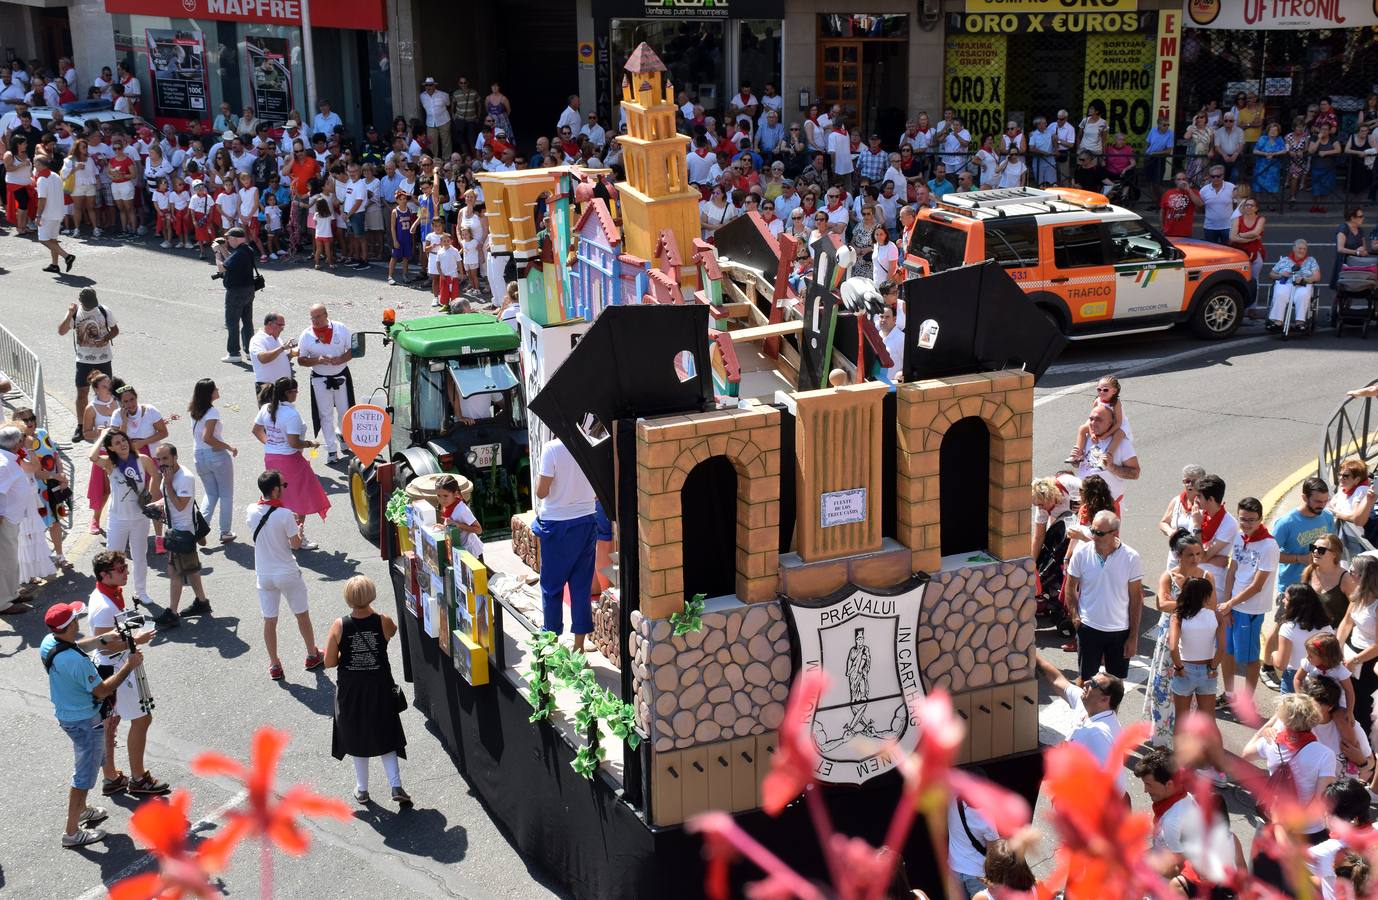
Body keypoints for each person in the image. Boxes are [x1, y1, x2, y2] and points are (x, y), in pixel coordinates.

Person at [41, 600, 152, 848]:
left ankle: (82, 811)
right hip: (84, 722)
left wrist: (102, 639)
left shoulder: (50, 643)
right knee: (83, 776)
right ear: (70, 626)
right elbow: (102, 690)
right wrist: (129, 665)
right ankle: (71, 832)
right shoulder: (77, 662)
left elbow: (78, 645)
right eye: (75, 619)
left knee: (89, 764)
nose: (79, 621)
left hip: (70, 716)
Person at [87, 550, 170, 799]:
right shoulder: (103, 606)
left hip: (117, 665)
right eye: (120, 569)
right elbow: (103, 644)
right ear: (105, 574)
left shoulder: (108, 593)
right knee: (142, 719)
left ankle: (111, 778)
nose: (126, 572)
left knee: (111, 723)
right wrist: (136, 639)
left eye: (125, 567)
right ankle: (138, 778)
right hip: (117, 667)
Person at [325, 575, 410, 807]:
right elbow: (391, 633)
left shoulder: (340, 625)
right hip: (379, 687)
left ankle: (362, 790)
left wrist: (346, 654)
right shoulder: (383, 620)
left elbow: (329, 662)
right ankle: (395, 785)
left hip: (351, 690)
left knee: (357, 736)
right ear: (371, 594)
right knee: (386, 734)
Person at [246, 469, 324, 680]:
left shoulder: (251, 510)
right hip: (287, 572)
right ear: (275, 489)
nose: (285, 488)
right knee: (302, 615)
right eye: (283, 485)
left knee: (269, 621)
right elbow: (296, 545)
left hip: (264, 575)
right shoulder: (285, 514)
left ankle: (274, 665)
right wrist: (298, 528)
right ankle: (311, 654)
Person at [1146, 531, 1213, 747]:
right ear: (1179, 556)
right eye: (1190, 555)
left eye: (1198, 554)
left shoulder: (1206, 577)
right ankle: (1163, 738)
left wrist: (1181, 604)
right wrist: (1193, 603)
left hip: (1197, 640)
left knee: (1190, 689)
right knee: (1165, 687)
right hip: (1170, 638)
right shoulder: (1168, 576)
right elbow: (1161, 604)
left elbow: (1211, 606)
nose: (1195, 559)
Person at [533, 438, 598, 651]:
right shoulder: (592, 443)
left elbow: (541, 492)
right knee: (581, 588)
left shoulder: (551, 448)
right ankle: (579, 647)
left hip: (557, 525)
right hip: (587, 520)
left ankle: (551, 643)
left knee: (552, 587)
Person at [1034, 650, 1126, 793]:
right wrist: (1033, 653)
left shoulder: (1099, 734)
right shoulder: (1088, 704)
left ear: (1105, 699)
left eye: (1094, 684)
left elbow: (1111, 786)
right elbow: (1058, 680)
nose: (1087, 682)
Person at [1065, 510, 1142, 682]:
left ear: (1114, 533)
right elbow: (1070, 588)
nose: (1094, 536)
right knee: (1086, 681)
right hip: (1088, 629)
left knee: (1116, 684)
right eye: (1092, 530)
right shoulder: (1081, 553)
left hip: (1120, 632)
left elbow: (1136, 600)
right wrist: (1076, 618)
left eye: (1099, 533)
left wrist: (1133, 637)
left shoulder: (1131, 558)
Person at [1220, 496, 1279, 698]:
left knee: (1250, 658)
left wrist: (1230, 603)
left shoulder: (1269, 546)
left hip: (1250, 609)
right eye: (1243, 519)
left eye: (1251, 519)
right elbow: (1232, 570)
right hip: (1233, 604)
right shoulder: (1238, 537)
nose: (1246, 524)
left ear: (1261, 519)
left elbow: (1257, 585)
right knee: (1227, 651)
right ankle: (1229, 694)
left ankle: (1247, 700)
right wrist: (1227, 603)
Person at [150, 444, 210, 627]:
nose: (161, 463)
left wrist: (168, 485)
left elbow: (181, 505)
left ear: (175, 457)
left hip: (183, 533)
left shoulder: (184, 478)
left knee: (174, 571)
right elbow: (169, 499)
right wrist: (156, 505)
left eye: (165, 459)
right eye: (158, 459)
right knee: (190, 568)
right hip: (177, 530)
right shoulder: (168, 475)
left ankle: (172, 613)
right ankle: (201, 602)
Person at [296, 304, 354, 464]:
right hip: (320, 379)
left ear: (326, 315)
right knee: (325, 414)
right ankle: (331, 449)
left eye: (318, 317)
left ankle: (342, 434)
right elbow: (301, 360)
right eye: (312, 317)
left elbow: (352, 349)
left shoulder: (341, 329)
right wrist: (317, 360)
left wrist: (341, 359)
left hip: (341, 375)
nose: (315, 320)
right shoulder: (306, 335)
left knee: (345, 412)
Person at [59, 288, 118, 443]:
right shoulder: (76, 312)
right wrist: (69, 314)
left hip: (103, 359)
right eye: (88, 304)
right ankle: (81, 426)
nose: (91, 307)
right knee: (82, 393)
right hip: (83, 360)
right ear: (81, 301)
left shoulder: (103, 311)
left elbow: (115, 330)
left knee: (106, 393)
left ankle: (113, 424)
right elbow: (61, 331)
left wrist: (106, 338)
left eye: (93, 303)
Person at [188, 379, 237, 544]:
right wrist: (228, 446)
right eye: (215, 388)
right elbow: (208, 438)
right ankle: (225, 531)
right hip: (216, 456)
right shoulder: (212, 412)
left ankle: (201, 528)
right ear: (209, 393)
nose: (218, 389)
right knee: (226, 494)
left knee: (210, 494)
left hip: (199, 456)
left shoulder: (195, 412)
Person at [1337, 556, 1378, 745]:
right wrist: (1338, 647)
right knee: (1344, 699)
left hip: (1367, 661)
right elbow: (1346, 622)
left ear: (1364, 576)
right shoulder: (1358, 595)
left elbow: (1377, 645)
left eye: (1353, 572)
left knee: (1361, 706)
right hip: (1350, 652)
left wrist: (1355, 661)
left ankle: (1363, 750)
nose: (1349, 574)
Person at [1072, 405, 1140, 513]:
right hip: (1085, 502)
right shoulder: (1087, 438)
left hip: (1108, 507)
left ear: (1110, 423)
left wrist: (1111, 467)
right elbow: (1083, 466)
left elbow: (1135, 473)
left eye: (1098, 420)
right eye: (1091, 419)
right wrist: (1076, 460)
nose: (1093, 423)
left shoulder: (1122, 444)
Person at [0, 426, 33, 615]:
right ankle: (3, 602)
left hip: (12, 518)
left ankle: (11, 593)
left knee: (11, 559)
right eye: (22, 439)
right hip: (5, 521)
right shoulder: (4, 464)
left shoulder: (8, 459)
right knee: (5, 561)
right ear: (16, 443)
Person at [82, 371, 119, 535]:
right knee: (103, 489)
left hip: (120, 451)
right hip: (103, 453)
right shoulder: (91, 409)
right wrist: (98, 432)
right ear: (96, 389)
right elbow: (86, 433)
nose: (109, 388)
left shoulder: (117, 402)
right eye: (105, 386)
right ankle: (95, 519)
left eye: (109, 384)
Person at [946, 792, 999, 899]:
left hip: (953, 868)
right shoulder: (987, 818)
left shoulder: (952, 799)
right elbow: (993, 853)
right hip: (978, 874)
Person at [1190, 473, 1236, 592]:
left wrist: (1197, 526)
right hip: (1191, 577)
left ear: (1211, 499)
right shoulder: (1199, 516)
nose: (1196, 500)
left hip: (1214, 585)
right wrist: (1212, 560)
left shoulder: (1229, 524)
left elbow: (1199, 555)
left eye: (1199, 496)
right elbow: (1186, 553)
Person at [219, 226, 257, 364]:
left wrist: (217, 255)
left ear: (235, 239)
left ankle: (234, 352)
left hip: (236, 292)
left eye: (228, 238)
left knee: (232, 322)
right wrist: (222, 249)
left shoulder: (239, 253)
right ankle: (249, 351)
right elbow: (231, 260)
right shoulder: (247, 250)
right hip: (248, 290)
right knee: (247, 321)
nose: (227, 241)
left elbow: (222, 267)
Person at [1266, 238, 1321, 331]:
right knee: (1280, 294)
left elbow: (1317, 277)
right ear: (1294, 249)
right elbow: (1271, 274)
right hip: (1286, 283)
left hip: (1303, 284)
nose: (1302, 251)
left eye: (1304, 249)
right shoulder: (1284, 260)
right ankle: (1277, 322)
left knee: (1302, 295)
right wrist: (1280, 275)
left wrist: (1305, 279)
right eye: (1300, 248)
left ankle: (1300, 323)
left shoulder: (1311, 260)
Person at [33, 155, 74, 273]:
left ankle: (67, 256)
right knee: (53, 240)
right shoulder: (55, 175)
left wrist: (38, 215)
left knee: (44, 240)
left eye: (35, 163)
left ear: (40, 164)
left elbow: (42, 199)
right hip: (58, 212)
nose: (34, 166)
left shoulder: (42, 179)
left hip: (48, 214)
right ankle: (54, 265)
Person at [1308, 533, 1358, 630]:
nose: (1315, 552)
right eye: (1313, 547)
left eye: (1321, 550)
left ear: (1335, 554)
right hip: (1314, 632)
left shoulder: (1346, 579)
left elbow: (1356, 614)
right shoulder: (1309, 571)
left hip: (1338, 636)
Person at [249, 311, 295, 398]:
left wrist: (290, 355)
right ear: (270, 324)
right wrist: (282, 348)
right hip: (268, 388)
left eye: (283, 326)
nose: (282, 328)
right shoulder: (258, 340)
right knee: (271, 412)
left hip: (283, 387)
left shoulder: (277, 339)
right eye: (280, 325)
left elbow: (280, 359)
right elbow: (263, 358)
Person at [1331, 457, 1375, 537]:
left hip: (1354, 538)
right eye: (1340, 474)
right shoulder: (1344, 487)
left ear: (1357, 480)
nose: (1341, 478)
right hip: (1342, 532)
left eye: (1345, 476)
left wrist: (1337, 514)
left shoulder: (1361, 490)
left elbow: (1355, 517)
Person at [1159, 171, 1202, 239]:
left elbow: (1200, 204)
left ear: (1187, 180)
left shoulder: (1193, 192)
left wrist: (1188, 189)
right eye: (1179, 179)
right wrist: (1162, 226)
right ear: (1175, 181)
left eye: (1183, 179)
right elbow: (1162, 211)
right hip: (1169, 232)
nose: (1181, 181)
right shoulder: (1168, 193)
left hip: (1185, 233)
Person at [1198, 166, 1234, 245]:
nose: (1215, 178)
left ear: (1223, 176)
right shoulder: (1204, 190)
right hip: (1210, 227)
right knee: (1211, 252)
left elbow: (1236, 204)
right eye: (1213, 176)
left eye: (1218, 176)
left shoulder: (1231, 187)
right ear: (1209, 177)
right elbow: (1200, 207)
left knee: (1228, 251)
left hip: (1228, 226)